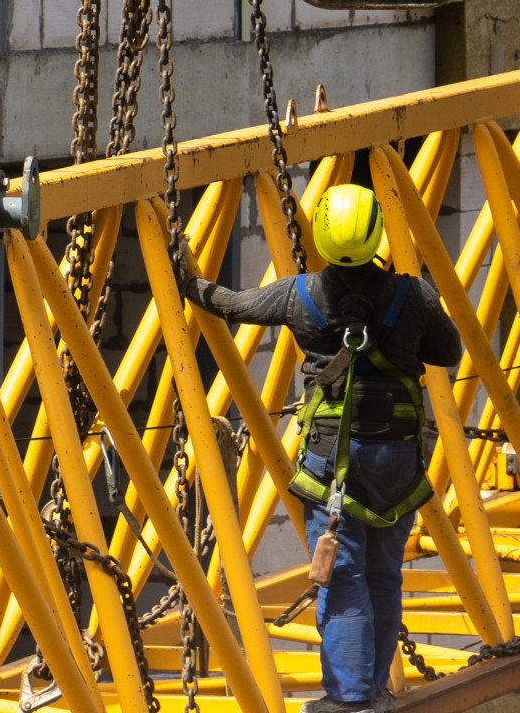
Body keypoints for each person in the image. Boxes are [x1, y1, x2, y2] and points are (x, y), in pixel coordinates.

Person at [179, 183, 462, 713]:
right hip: (397, 459)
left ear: (323, 238)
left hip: (333, 462)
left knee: (344, 574)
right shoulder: (412, 294)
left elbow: (234, 305)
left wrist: (186, 281)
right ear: (377, 230)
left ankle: (350, 700)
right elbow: (450, 353)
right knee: (382, 573)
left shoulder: (300, 296)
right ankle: (372, 691)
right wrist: (412, 320)